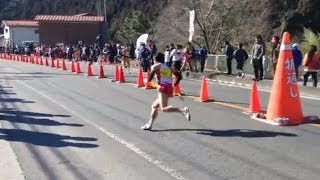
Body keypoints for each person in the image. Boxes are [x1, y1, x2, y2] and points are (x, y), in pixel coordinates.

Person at [141, 53, 191, 130]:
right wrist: (175, 84)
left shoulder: (155, 66)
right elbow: (179, 76)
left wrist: (147, 81)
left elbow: (151, 75)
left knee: (163, 108)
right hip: (168, 87)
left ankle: (183, 110)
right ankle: (150, 124)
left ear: (155, 59)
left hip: (163, 88)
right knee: (154, 106)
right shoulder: (168, 67)